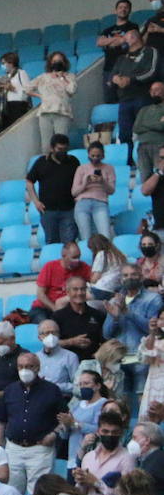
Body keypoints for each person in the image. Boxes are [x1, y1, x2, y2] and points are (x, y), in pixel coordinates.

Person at [0, 352, 65, 495]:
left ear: (37, 368)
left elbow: (65, 418)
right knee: (10, 493)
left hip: (40, 449)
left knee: (40, 494)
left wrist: (54, 434)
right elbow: (0, 420)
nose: (24, 370)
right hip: (13, 449)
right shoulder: (10, 390)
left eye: (29, 366)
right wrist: (0, 447)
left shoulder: (52, 390)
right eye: (21, 366)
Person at [105, 263, 161, 412]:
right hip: (119, 360)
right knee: (121, 407)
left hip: (141, 359)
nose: (129, 278)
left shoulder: (153, 299)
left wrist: (127, 311)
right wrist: (116, 318)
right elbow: (106, 334)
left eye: (133, 274)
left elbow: (152, 329)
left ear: (141, 276)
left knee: (145, 405)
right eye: (125, 275)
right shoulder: (114, 301)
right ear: (121, 279)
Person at [111, 28, 160, 166]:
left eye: (126, 38)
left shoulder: (150, 52)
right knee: (125, 133)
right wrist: (115, 79)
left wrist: (130, 80)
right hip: (124, 100)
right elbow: (112, 75)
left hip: (142, 98)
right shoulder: (121, 58)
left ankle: (147, 160)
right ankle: (129, 162)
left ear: (134, 38)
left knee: (144, 130)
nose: (124, 42)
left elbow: (151, 71)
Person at [27, 55, 78, 159]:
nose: (57, 63)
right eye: (54, 61)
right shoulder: (43, 77)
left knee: (62, 142)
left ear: (64, 62)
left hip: (62, 112)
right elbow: (27, 89)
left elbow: (72, 90)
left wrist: (62, 77)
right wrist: (40, 96)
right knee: (46, 144)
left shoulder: (70, 76)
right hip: (45, 112)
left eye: (59, 61)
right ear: (50, 63)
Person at [31, 241, 91, 322]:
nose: (77, 261)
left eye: (78, 257)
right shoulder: (50, 267)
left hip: (70, 308)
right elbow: (40, 294)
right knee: (47, 326)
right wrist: (55, 309)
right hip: (44, 308)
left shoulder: (83, 267)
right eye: (74, 257)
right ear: (64, 256)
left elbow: (95, 283)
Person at [71, 141, 116, 243]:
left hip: (100, 202)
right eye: (93, 155)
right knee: (85, 237)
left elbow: (111, 190)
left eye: (98, 156)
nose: (95, 158)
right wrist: (85, 183)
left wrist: (102, 181)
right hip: (82, 203)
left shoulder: (109, 168)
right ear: (88, 155)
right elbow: (74, 192)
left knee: (105, 236)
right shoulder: (81, 169)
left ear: (103, 155)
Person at [34, 319, 80, 395]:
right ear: (40, 337)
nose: (51, 336)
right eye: (47, 333)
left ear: (59, 335)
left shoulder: (70, 357)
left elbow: (77, 386)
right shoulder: (35, 357)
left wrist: (54, 386)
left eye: (54, 332)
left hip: (61, 398)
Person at [135, 85, 164, 179]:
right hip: (142, 146)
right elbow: (136, 128)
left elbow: (162, 126)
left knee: (160, 177)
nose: (153, 92)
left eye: (157, 89)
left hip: (160, 146)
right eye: (151, 90)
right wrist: (156, 123)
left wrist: (145, 124)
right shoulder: (144, 110)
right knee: (145, 178)